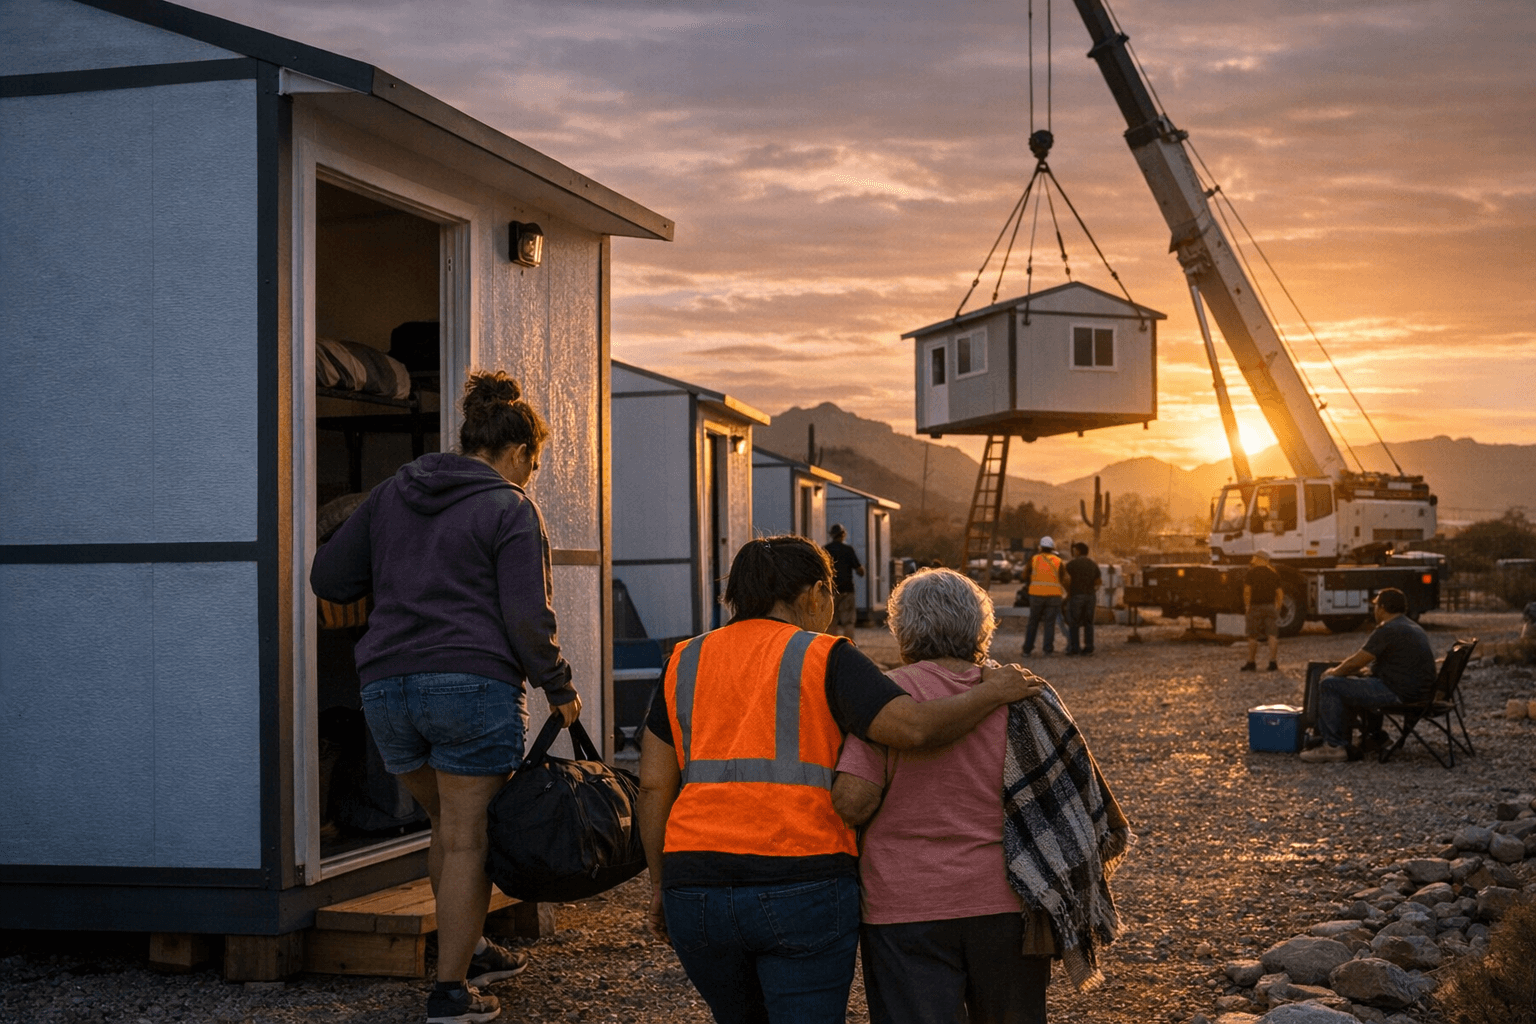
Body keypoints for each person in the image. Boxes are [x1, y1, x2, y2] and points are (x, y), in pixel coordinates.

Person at [637, 537, 1043, 1024]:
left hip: (695, 888)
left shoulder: (683, 661)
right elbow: (913, 727)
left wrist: (661, 885)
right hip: (800, 882)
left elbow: (654, 787)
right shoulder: (826, 655)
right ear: (814, 593)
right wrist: (991, 692)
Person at [311, 370, 581, 1024]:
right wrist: (559, 687)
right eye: (535, 464)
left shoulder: (392, 494)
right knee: (466, 837)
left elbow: (329, 576)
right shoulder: (510, 507)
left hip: (386, 690)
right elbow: (526, 619)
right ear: (517, 452)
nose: (532, 476)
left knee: (446, 828)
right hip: (470, 687)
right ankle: (451, 992)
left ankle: (472, 950)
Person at [833, 569, 1132, 1024]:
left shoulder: (890, 700)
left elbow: (853, 801)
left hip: (903, 909)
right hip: (1009, 905)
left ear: (903, 628)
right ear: (980, 628)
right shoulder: (1024, 695)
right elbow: (1075, 801)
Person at [1300, 587, 1437, 763]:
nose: (1374, 610)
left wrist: (1333, 672)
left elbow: (1357, 661)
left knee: (1331, 684)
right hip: (1417, 692)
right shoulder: (1412, 626)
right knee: (1358, 682)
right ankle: (1373, 737)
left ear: (1383, 607)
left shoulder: (1389, 629)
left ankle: (1334, 746)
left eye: (1376, 605)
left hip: (1399, 693)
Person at [1240, 550, 1283, 672]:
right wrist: (1277, 607)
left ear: (1259, 559)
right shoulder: (1273, 574)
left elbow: (1247, 591)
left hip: (1255, 607)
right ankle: (1273, 663)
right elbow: (1279, 593)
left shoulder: (1251, 573)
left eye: (1254, 557)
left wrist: (1247, 606)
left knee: (1253, 636)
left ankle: (1251, 662)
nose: (1252, 559)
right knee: (1272, 635)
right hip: (1270, 607)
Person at [1022, 537, 1065, 657]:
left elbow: (1025, 575)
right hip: (1054, 595)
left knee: (1033, 622)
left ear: (1040, 547)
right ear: (1053, 548)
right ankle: (1048, 650)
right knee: (1050, 623)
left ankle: (1027, 649)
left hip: (1036, 595)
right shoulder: (1058, 561)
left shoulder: (1034, 559)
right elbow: (1063, 578)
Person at [824, 523, 865, 641]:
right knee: (848, 621)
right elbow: (860, 571)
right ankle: (848, 646)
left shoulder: (826, 549)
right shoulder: (848, 550)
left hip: (831, 591)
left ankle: (830, 647)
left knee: (832, 621)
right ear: (843, 535)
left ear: (831, 535)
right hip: (847, 590)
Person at [1063, 542, 1101, 656]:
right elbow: (1098, 582)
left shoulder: (1071, 564)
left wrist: (1068, 593)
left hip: (1076, 595)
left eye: (1074, 550)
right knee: (1089, 622)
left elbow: (1065, 580)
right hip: (1090, 596)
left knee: (1074, 622)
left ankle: (1075, 648)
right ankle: (1089, 647)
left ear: (1078, 551)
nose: (1073, 552)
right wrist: (1092, 591)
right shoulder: (1093, 564)